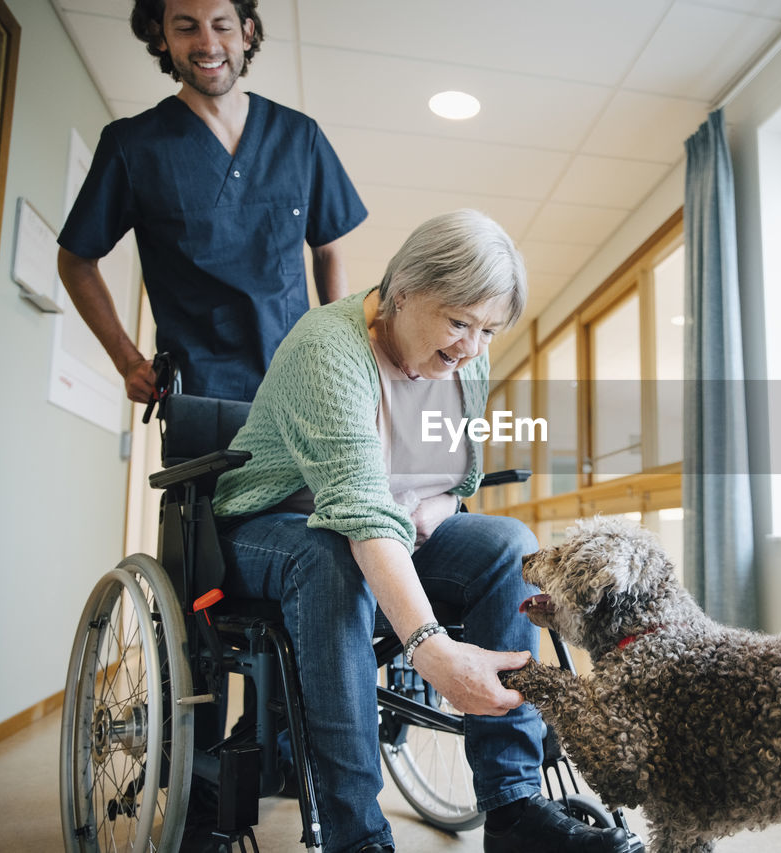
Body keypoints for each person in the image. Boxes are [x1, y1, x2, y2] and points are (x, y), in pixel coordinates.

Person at [212, 211, 632, 853]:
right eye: (459, 321)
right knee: (331, 555)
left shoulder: (465, 365)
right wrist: (431, 650)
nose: (471, 345)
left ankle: (513, 805)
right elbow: (359, 511)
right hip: (274, 528)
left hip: (387, 529)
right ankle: (355, 834)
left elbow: (456, 481)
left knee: (508, 543)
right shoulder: (328, 347)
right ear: (401, 291)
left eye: (489, 329)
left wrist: (426, 515)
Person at [57, 0, 366, 404]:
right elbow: (76, 260)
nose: (207, 43)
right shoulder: (132, 146)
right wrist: (127, 360)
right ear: (160, 37)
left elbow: (326, 250)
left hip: (300, 383)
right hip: (198, 395)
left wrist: (339, 349)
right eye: (186, 28)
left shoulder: (298, 137)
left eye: (221, 26)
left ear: (246, 33)